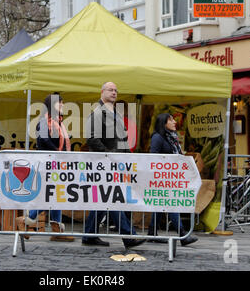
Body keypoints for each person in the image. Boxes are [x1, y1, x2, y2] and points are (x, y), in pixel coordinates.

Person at [82, 81, 145, 249]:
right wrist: (109, 155)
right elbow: (92, 139)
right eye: (110, 90)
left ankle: (89, 235)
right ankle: (129, 236)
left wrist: (128, 158)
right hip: (105, 163)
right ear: (102, 92)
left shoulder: (115, 113)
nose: (114, 92)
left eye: (116, 90)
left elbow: (122, 139)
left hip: (116, 163)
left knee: (104, 200)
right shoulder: (97, 113)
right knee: (113, 198)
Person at [16, 93, 74, 242]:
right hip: (48, 164)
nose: (62, 105)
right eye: (59, 103)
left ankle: (56, 230)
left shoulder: (57, 122)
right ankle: (27, 219)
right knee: (52, 196)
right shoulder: (44, 121)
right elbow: (43, 140)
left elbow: (51, 140)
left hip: (54, 164)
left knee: (55, 196)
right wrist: (59, 152)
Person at [147, 113, 198, 246]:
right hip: (162, 178)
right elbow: (154, 156)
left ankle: (152, 233)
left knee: (160, 205)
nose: (174, 122)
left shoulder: (172, 138)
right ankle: (182, 235)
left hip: (171, 177)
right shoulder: (158, 137)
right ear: (163, 124)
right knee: (172, 203)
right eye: (171, 120)